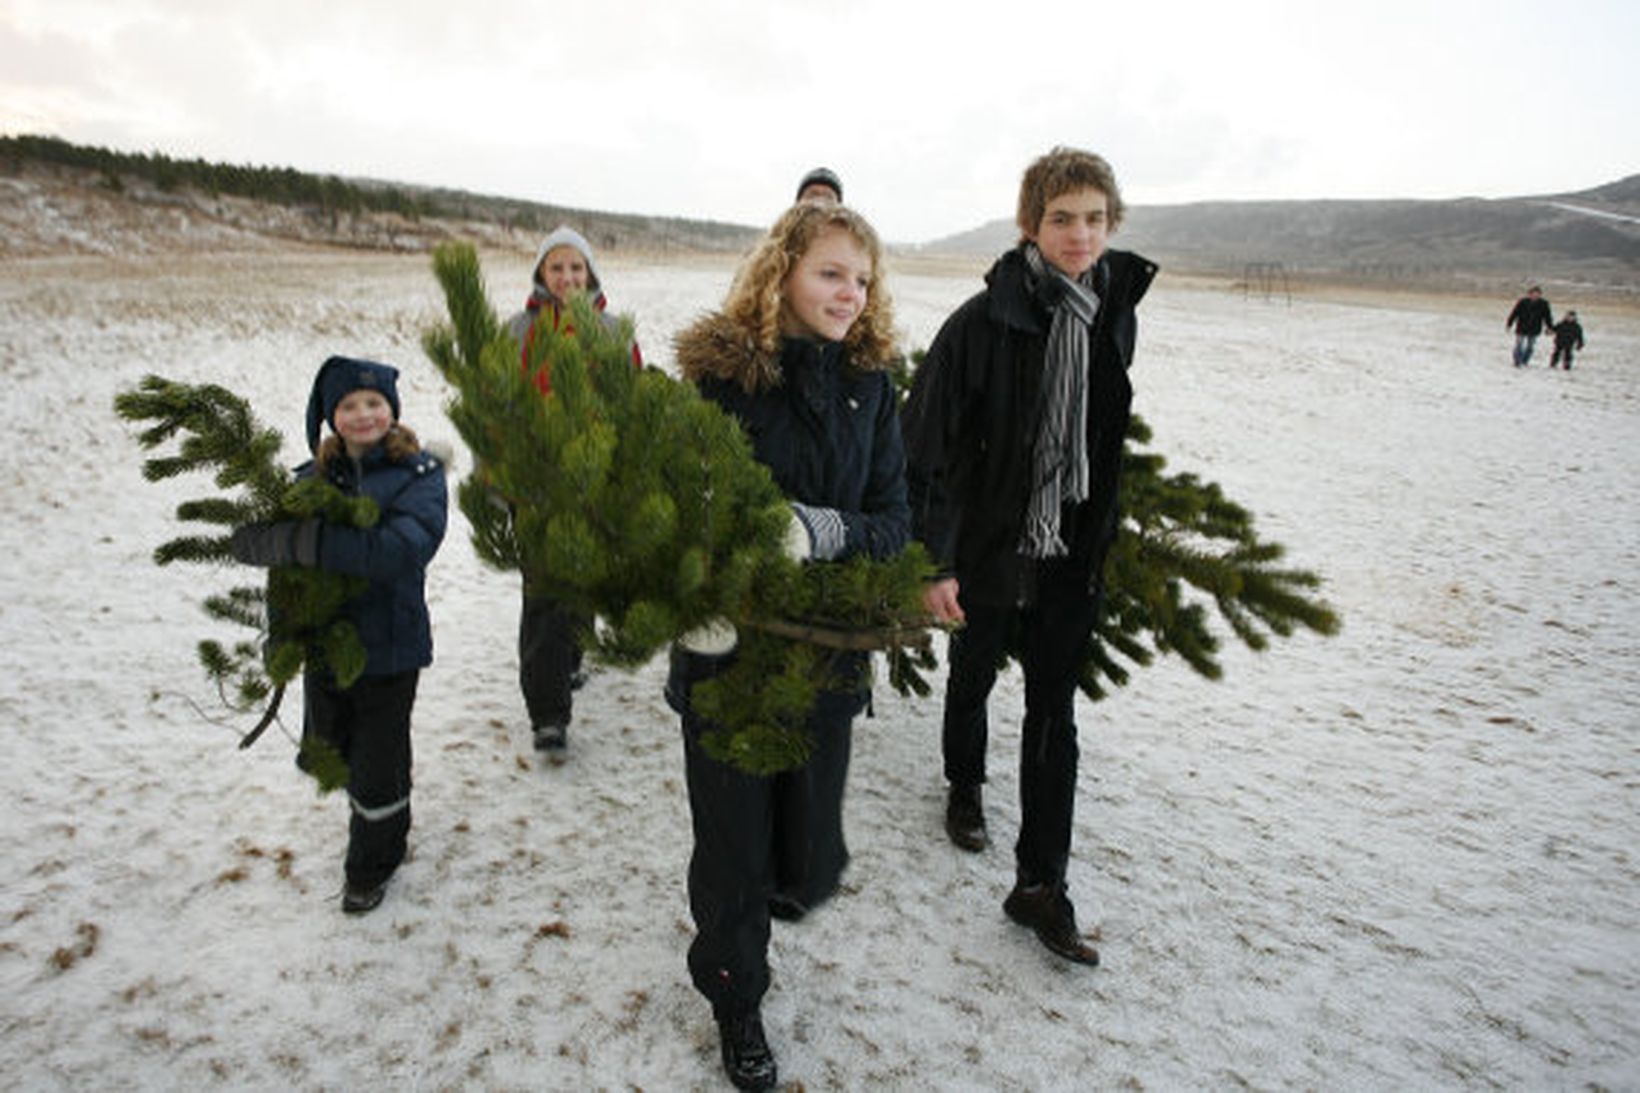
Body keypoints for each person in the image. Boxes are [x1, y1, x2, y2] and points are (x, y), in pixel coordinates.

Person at [667, 201, 909, 1090]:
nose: (850, 293)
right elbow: (679, 509)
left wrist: (820, 530)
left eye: (861, 278)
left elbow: (894, 521)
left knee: (804, 862)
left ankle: (761, 910)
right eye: (830, 273)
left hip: (827, 659)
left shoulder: (873, 388)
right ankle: (736, 998)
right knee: (731, 853)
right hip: (728, 660)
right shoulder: (722, 381)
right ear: (782, 273)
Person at [901, 146, 1158, 966]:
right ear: (1029, 225)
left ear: (1111, 223)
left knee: (1056, 717)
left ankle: (1041, 885)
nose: (1079, 235)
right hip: (990, 547)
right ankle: (965, 786)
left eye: (1093, 218)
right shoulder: (981, 322)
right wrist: (936, 563)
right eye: (1061, 219)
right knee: (973, 673)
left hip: (1071, 555)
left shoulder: (1115, 309)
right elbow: (929, 445)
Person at [230, 356, 448, 914]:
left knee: (379, 760)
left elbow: (400, 550)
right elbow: (282, 568)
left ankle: (371, 864)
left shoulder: (419, 478)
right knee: (339, 750)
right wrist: (282, 634)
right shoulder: (309, 481)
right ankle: (380, 817)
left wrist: (313, 542)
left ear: (393, 411)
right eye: (348, 405)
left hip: (391, 648)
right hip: (327, 648)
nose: (363, 414)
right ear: (330, 416)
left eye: (374, 403)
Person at [506, 225, 642, 752]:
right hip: (534, 486)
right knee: (543, 594)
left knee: (583, 581)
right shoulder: (517, 331)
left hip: (594, 482)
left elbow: (632, 409)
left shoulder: (612, 332)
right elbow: (493, 409)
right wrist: (496, 480)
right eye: (556, 267)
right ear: (541, 273)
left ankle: (574, 658)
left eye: (576, 268)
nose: (566, 277)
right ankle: (548, 713)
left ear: (590, 275)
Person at [1506, 285, 1554, 367]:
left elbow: (1547, 317)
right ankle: (1517, 361)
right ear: (1529, 294)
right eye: (1533, 294)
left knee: (1530, 346)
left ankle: (1525, 361)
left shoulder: (1544, 304)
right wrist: (1509, 324)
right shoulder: (1522, 302)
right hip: (1522, 327)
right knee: (1519, 345)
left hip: (1534, 328)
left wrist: (1549, 327)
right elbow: (1514, 313)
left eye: (1537, 294)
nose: (1535, 295)